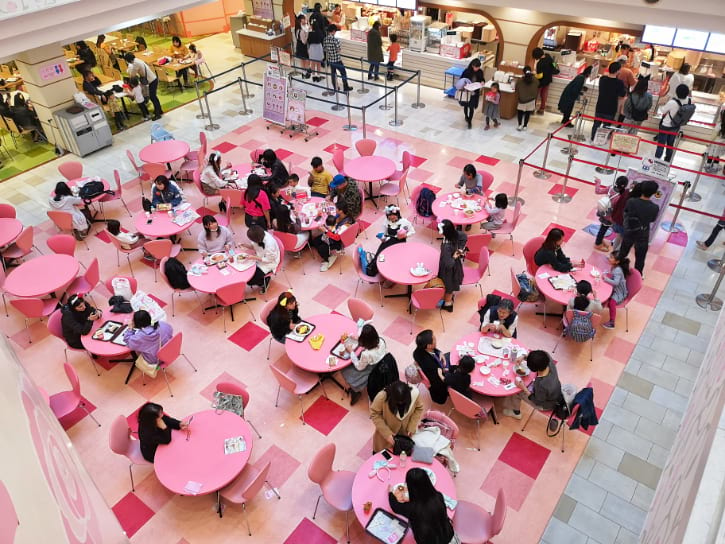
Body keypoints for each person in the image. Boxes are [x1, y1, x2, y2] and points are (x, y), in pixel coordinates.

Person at [388, 467, 457, 544]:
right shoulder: (438, 496)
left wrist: (390, 493)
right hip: (447, 534)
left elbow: (395, 506)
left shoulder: (411, 508)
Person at [502, 350, 562, 424]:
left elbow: (537, 401)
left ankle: (515, 412)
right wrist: (523, 357)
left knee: (517, 391)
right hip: (555, 391)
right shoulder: (547, 359)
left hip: (545, 404)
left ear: (533, 369)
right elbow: (538, 357)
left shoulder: (542, 384)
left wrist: (523, 388)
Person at [370, 380, 424, 453]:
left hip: (404, 436)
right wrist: (387, 433)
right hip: (384, 438)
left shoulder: (414, 394)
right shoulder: (382, 397)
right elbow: (374, 413)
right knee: (379, 457)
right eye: (398, 402)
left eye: (403, 402)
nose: (401, 403)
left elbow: (419, 408)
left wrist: (412, 426)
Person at [618, 179, 660, 274]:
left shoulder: (631, 201)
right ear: (653, 193)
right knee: (640, 257)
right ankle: (637, 276)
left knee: (623, 252)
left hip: (630, 230)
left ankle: (617, 270)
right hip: (643, 233)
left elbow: (626, 212)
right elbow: (652, 219)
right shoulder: (655, 207)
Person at [341, 324, 388, 405]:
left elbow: (359, 367)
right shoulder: (381, 340)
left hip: (373, 371)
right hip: (383, 364)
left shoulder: (366, 354)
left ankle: (355, 391)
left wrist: (351, 351)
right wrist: (358, 340)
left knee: (345, 370)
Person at [309, 200, 354, 271]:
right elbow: (334, 223)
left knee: (321, 248)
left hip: (338, 241)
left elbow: (337, 238)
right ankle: (328, 255)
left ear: (341, 211)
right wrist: (329, 214)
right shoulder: (340, 215)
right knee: (315, 241)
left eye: (336, 209)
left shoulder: (346, 224)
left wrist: (325, 231)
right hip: (332, 234)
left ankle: (326, 260)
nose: (334, 209)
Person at [591, 62, 626, 141]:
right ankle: (602, 139)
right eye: (619, 70)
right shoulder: (619, 83)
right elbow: (622, 94)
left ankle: (593, 138)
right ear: (617, 71)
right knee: (607, 125)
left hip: (600, 105)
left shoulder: (602, 79)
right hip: (611, 107)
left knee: (596, 124)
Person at [655, 84, 690, 163]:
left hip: (666, 125)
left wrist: (661, 103)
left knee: (661, 144)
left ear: (677, 92)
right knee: (670, 144)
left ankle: (656, 160)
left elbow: (663, 111)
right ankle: (667, 160)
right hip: (676, 125)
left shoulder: (672, 102)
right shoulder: (688, 101)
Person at [594, 175, 630, 252]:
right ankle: (597, 244)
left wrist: (598, 182)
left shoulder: (611, 188)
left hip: (603, 211)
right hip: (610, 216)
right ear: (624, 185)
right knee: (603, 229)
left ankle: (600, 240)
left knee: (603, 228)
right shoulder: (622, 195)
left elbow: (597, 191)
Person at [413, 329, 449, 405]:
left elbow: (434, 350)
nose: (436, 340)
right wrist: (443, 370)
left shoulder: (417, 351)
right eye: (434, 339)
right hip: (439, 380)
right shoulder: (431, 366)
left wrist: (440, 353)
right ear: (429, 345)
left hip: (438, 367)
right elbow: (439, 380)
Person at [438, 219, 467, 311]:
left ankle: (448, 305)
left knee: (448, 288)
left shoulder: (446, 247)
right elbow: (464, 237)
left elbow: (449, 264)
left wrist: (454, 256)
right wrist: (461, 249)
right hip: (455, 266)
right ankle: (448, 300)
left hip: (448, 271)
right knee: (450, 287)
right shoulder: (455, 234)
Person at [242, 225, 281, 292]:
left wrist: (255, 257)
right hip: (259, 258)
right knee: (246, 273)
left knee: (249, 281)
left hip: (269, 263)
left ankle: (265, 281)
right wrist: (245, 245)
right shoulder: (259, 235)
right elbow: (254, 246)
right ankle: (261, 279)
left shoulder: (269, 244)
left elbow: (269, 259)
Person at [124, 53, 162, 120]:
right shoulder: (137, 60)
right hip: (153, 79)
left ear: (128, 60)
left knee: (153, 97)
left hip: (151, 81)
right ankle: (159, 110)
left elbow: (132, 75)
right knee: (154, 97)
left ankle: (158, 114)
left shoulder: (136, 64)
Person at [601, 252, 630, 329]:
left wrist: (605, 278)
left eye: (611, 257)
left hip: (619, 292)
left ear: (617, 261)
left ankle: (612, 322)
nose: (609, 258)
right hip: (614, 288)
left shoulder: (617, 270)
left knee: (612, 303)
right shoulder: (615, 266)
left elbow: (616, 283)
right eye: (610, 256)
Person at [323, 24, 353, 92]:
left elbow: (324, 49)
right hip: (337, 59)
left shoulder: (325, 39)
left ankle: (335, 87)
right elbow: (339, 50)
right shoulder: (335, 40)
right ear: (333, 31)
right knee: (343, 73)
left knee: (333, 74)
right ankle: (345, 86)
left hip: (330, 59)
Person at [459, 58, 483, 129]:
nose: (477, 68)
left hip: (475, 92)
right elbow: (461, 79)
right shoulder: (467, 71)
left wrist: (482, 81)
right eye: (476, 67)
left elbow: (482, 79)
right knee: (466, 105)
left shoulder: (480, 72)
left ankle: (470, 121)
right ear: (472, 65)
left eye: (478, 67)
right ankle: (466, 116)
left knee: (472, 107)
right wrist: (465, 84)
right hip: (467, 91)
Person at [532, 47, 557, 114]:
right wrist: (555, 68)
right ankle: (542, 109)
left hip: (541, 81)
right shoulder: (548, 56)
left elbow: (540, 76)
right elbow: (554, 65)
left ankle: (532, 108)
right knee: (544, 94)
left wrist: (534, 75)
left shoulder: (540, 63)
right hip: (548, 79)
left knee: (535, 94)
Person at [307, 3, 327, 82]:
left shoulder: (310, 32)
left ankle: (313, 76)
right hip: (318, 47)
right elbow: (322, 36)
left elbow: (308, 41)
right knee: (318, 63)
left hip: (312, 48)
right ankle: (318, 76)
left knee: (312, 63)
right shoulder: (321, 17)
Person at [515, 66, 538, 131]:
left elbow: (516, 87)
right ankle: (525, 126)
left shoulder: (521, 80)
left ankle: (519, 125)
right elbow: (538, 85)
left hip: (522, 99)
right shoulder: (535, 80)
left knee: (520, 112)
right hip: (531, 99)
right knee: (528, 113)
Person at [704, 109, 725, 174]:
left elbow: (713, 135)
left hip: (715, 143)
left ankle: (708, 165)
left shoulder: (719, 125)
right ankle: (715, 167)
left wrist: (708, 143)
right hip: (722, 143)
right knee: (717, 156)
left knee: (711, 154)